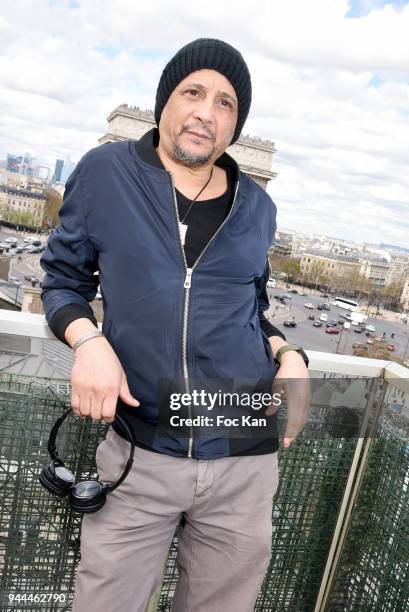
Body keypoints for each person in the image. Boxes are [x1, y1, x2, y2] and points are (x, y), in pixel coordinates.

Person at [40, 38, 309, 612]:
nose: (206, 112)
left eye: (226, 103)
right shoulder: (105, 174)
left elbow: (249, 309)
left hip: (244, 451)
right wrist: (88, 340)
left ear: (235, 125)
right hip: (143, 452)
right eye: (193, 92)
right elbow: (63, 281)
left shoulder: (259, 208)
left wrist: (289, 354)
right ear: (165, 102)